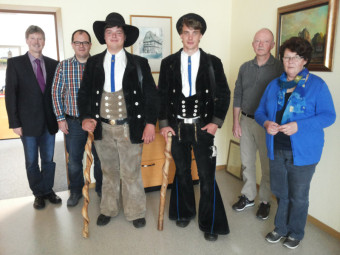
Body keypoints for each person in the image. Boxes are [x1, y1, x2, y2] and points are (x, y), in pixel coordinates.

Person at [78, 12, 159, 228]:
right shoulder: (93, 62)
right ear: (104, 37)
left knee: (131, 173)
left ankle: (135, 211)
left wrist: (151, 123)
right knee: (108, 171)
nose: (114, 36)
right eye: (109, 32)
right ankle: (108, 209)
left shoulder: (139, 63)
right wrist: (85, 117)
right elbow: (84, 93)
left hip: (130, 127)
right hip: (102, 128)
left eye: (118, 32)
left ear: (124, 37)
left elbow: (152, 95)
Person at [255, 37, 336, 249]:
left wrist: (300, 126)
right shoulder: (274, 85)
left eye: (296, 57)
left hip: (304, 152)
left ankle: (296, 232)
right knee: (281, 193)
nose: (290, 62)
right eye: (286, 57)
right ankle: (280, 228)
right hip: (277, 148)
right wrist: (266, 123)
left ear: (305, 60)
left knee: (298, 196)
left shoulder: (317, 86)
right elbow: (259, 112)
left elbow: (329, 116)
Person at [158, 13, 230, 241]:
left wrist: (216, 123)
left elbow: (224, 94)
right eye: (186, 32)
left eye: (195, 33)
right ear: (180, 34)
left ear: (201, 35)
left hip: (203, 128)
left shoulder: (213, 62)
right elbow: (161, 96)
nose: (190, 37)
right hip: (177, 128)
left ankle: (210, 223)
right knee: (182, 172)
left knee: (207, 176)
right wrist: (164, 124)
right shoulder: (168, 63)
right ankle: (184, 211)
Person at [5, 25, 61, 209]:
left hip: (49, 122)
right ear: (27, 40)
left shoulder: (54, 64)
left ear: (44, 41)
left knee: (48, 159)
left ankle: (47, 190)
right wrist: (14, 122)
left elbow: (57, 93)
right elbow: (11, 94)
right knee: (31, 161)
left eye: (40, 38)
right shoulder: (15, 64)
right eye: (33, 38)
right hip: (27, 124)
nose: (37, 42)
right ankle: (38, 193)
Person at [232, 28, 283, 219]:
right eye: (257, 41)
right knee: (246, 162)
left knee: (267, 164)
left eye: (265, 41)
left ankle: (264, 201)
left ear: (272, 45)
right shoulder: (245, 67)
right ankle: (248, 196)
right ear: (253, 44)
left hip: (267, 124)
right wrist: (236, 122)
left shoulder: (279, 68)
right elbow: (237, 94)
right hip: (245, 120)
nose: (260, 45)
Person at [52, 29, 103, 207]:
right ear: (73, 44)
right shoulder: (63, 66)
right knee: (74, 160)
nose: (81, 46)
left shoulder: (99, 64)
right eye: (78, 42)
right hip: (73, 122)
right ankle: (75, 191)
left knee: (100, 158)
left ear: (90, 44)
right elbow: (56, 93)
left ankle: (101, 189)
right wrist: (60, 118)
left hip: (98, 122)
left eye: (85, 42)